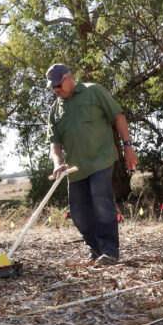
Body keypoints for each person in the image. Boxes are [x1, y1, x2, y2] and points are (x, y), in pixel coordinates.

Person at [45, 64, 138, 267]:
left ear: (69, 77)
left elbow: (118, 116)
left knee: (101, 203)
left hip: (101, 159)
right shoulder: (55, 110)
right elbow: (55, 143)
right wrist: (58, 163)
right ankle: (96, 250)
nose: (57, 90)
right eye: (53, 87)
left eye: (59, 84)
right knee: (79, 214)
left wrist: (128, 146)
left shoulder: (93, 91)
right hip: (75, 169)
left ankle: (110, 252)